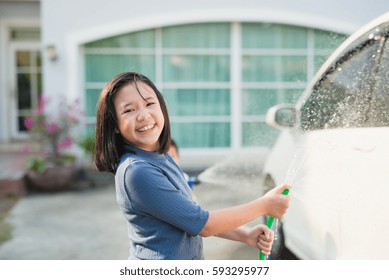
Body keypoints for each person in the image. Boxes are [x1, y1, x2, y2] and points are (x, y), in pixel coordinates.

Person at [94, 72, 291, 260]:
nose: (143, 115)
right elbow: (203, 224)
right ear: (115, 125)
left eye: (149, 104)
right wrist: (264, 205)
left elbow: (189, 216)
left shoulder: (160, 157)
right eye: (129, 110)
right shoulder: (136, 171)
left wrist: (244, 235)